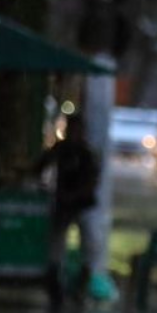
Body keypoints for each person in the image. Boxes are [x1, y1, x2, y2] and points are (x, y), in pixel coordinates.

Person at [34, 112, 102, 300]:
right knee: (56, 244)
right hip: (63, 205)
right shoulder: (60, 149)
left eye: (78, 130)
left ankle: (82, 282)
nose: (74, 134)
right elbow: (40, 166)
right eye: (72, 129)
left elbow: (92, 182)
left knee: (91, 242)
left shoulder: (88, 154)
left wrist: (73, 195)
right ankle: (55, 281)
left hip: (83, 205)